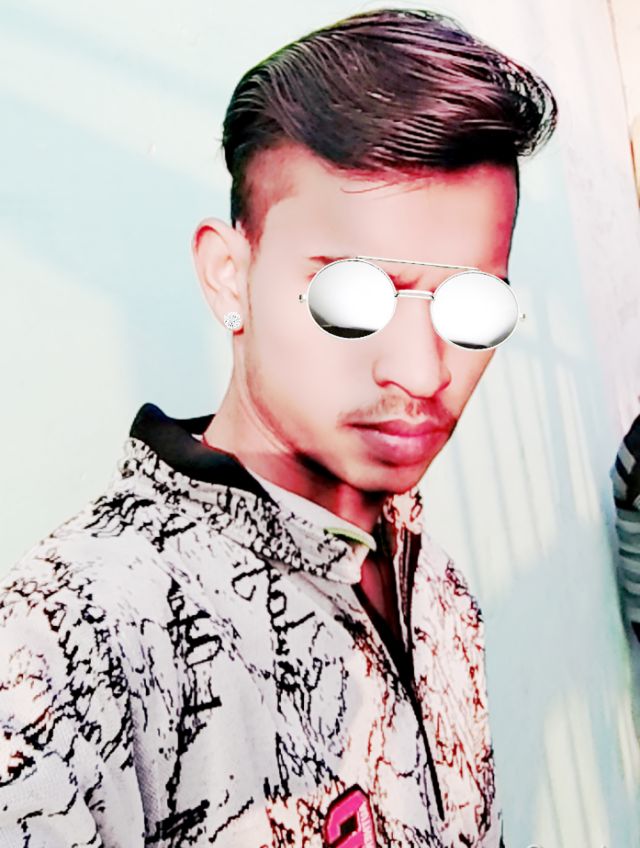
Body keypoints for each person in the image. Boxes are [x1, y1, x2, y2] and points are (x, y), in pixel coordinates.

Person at [0, 7, 558, 847]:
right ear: (230, 276)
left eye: (471, 304)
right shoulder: (70, 641)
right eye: (353, 294)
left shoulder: (436, 591)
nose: (422, 371)